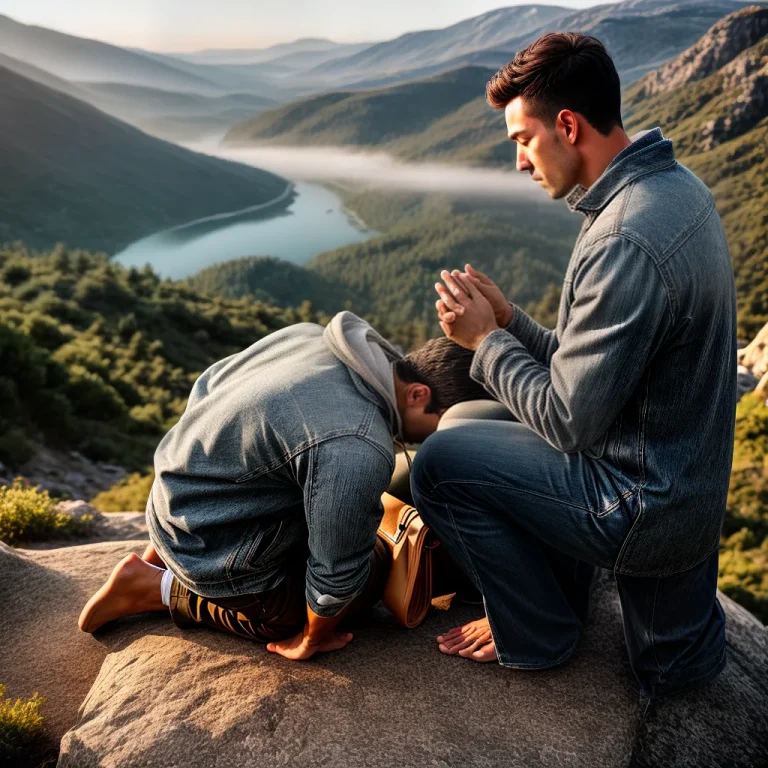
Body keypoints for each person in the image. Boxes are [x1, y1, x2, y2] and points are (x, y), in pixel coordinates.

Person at [413, 32, 737, 699]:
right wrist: (513, 324)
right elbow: (604, 367)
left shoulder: (623, 237)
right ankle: (566, 587)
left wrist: (483, 342)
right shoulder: (673, 189)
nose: (520, 163)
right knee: (472, 412)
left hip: (640, 499)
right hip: (679, 481)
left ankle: (534, 631)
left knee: (440, 465)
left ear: (567, 125)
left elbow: (567, 421)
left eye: (521, 141)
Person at [79, 312, 489, 661]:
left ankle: (159, 557)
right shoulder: (357, 444)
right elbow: (336, 572)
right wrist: (314, 636)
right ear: (418, 394)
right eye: (441, 426)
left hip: (172, 500)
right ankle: (155, 587)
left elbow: (207, 389)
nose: (431, 441)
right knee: (368, 569)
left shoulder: (308, 337)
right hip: (216, 545)